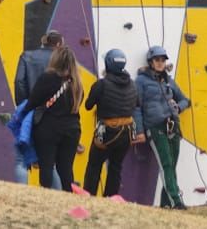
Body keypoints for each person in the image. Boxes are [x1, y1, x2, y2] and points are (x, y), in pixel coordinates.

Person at [133, 45, 191, 209]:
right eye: (157, 60)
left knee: (171, 165)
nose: (160, 63)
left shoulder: (169, 80)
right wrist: (140, 131)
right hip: (155, 127)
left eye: (163, 60)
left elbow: (186, 100)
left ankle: (165, 203)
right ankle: (176, 201)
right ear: (150, 61)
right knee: (166, 163)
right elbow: (136, 107)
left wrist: (178, 107)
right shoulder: (141, 81)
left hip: (173, 126)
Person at [83, 48, 140, 197]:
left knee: (94, 165)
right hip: (127, 131)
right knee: (116, 166)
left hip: (107, 131)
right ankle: (110, 198)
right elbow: (137, 103)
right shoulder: (133, 85)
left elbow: (88, 105)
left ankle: (88, 196)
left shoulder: (101, 84)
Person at [27, 46, 84, 190]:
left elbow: (33, 101)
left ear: (55, 60)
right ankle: (68, 201)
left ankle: (46, 200)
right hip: (72, 130)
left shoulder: (48, 78)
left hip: (48, 129)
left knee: (46, 166)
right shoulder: (77, 83)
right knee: (66, 169)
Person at [12, 30, 64, 187]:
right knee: (49, 161)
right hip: (53, 113)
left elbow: (19, 82)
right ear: (59, 44)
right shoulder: (61, 60)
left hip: (29, 110)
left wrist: (25, 106)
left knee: (21, 158)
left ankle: (22, 194)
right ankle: (57, 197)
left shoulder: (27, 56)